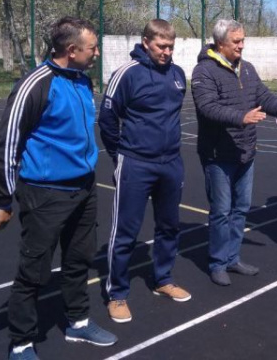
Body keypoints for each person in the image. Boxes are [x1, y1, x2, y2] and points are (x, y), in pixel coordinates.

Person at [0, 17, 117, 360]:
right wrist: (4, 198)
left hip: (84, 189)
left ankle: (77, 322)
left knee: (78, 259)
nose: (97, 52)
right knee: (34, 270)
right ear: (71, 50)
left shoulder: (82, 80)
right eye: (92, 47)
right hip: (45, 194)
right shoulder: (36, 84)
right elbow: (6, 143)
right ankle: (21, 342)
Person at [191, 20, 277, 285]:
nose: (241, 45)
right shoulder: (204, 71)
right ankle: (217, 263)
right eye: (236, 41)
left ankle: (232, 258)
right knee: (221, 210)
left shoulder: (246, 69)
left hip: (245, 151)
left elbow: (265, 98)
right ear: (220, 43)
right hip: (218, 155)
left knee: (241, 209)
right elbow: (207, 108)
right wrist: (241, 117)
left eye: (243, 40)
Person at [98, 19, 190, 325]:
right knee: (125, 230)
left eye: (170, 47)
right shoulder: (127, 73)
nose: (166, 52)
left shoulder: (178, 75)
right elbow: (108, 120)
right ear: (146, 42)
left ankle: (163, 278)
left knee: (169, 226)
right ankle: (117, 294)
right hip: (135, 162)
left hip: (171, 162)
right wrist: (120, 155)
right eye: (161, 46)